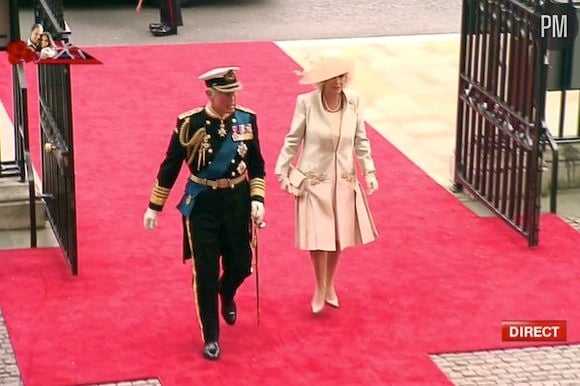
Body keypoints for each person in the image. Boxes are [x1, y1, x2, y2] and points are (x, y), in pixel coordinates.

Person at [143, 66, 266, 360]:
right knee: (206, 272)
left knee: (241, 264)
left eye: (234, 92)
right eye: (225, 94)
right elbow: (170, 165)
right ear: (209, 93)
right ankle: (211, 334)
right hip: (203, 205)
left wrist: (257, 198)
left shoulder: (247, 120)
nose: (232, 98)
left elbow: (257, 164)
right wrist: (154, 206)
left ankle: (227, 291)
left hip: (236, 201)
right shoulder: (190, 123)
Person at [274, 51, 379, 314]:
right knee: (318, 237)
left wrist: (369, 171)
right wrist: (282, 171)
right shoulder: (306, 103)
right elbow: (293, 139)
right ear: (322, 80)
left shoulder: (354, 101)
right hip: (314, 180)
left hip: (343, 179)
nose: (339, 82)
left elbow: (360, 139)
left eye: (343, 76)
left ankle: (330, 283)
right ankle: (319, 286)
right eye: (333, 77)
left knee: (339, 236)